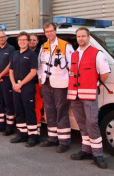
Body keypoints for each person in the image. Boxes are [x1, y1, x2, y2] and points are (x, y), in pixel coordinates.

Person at [68, 27, 110, 169]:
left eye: (83, 36)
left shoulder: (97, 54)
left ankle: (98, 154)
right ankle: (86, 150)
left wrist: (95, 84)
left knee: (92, 123)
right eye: (78, 36)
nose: (81, 38)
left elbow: (104, 73)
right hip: (75, 94)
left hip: (89, 94)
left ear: (88, 37)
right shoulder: (74, 54)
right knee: (81, 122)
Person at [37, 22, 74, 153]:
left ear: (55, 31)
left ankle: (64, 141)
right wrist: (41, 80)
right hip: (46, 83)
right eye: (46, 32)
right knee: (49, 111)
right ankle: (52, 138)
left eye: (51, 31)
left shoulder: (66, 46)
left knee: (61, 111)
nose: (49, 34)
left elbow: (72, 67)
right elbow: (40, 65)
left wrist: (71, 84)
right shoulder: (44, 46)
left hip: (61, 84)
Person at [9, 32, 39, 147]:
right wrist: (13, 84)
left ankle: (33, 136)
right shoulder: (14, 54)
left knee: (29, 111)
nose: (22, 42)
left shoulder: (32, 54)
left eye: (24, 40)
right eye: (20, 40)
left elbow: (33, 72)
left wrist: (20, 84)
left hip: (27, 86)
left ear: (27, 41)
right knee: (19, 111)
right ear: (18, 42)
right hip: (15, 86)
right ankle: (22, 133)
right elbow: (11, 71)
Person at [29, 34, 43, 131]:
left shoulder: (42, 53)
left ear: (38, 41)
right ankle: (28, 126)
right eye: (30, 40)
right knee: (28, 106)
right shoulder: (22, 52)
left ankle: (37, 128)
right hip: (25, 84)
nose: (32, 42)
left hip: (37, 83)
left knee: (37, 106)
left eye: (34, 40)